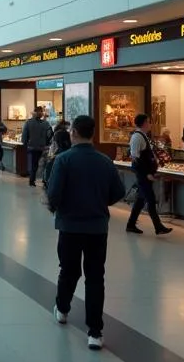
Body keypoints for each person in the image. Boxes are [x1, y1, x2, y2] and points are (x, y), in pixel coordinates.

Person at [47, 115, 127, 350]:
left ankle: (62, 309)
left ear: (73, 133)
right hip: (97, 228)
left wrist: (59, 209)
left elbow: (53, 194)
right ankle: (95, 331)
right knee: (95, 277)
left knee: (68, 270)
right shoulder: (104, 161)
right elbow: (117, 192)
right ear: (92, 133)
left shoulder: (63, 160)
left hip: (70, 227)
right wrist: (99, 203)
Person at [126, 114, 173, 236]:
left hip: (145, 174)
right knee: (150, 200)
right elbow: (135, 159)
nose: (150, 124)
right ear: (144, 123)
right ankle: (158, 227)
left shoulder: (143, 136)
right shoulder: (137, 137)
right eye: (149, 121)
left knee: (141, 200)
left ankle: (131, 224)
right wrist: (146, 174)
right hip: (143, 175)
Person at [21, 106, 53, 187]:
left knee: (33, 164)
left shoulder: (28, 123)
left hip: (31, 147)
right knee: (44, 164)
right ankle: (44, 180)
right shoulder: (46, 124)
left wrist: (25, 144)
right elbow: (50, 134)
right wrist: (48, 143)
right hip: (42, 147)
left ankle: (32, 180)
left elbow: (24, 135)